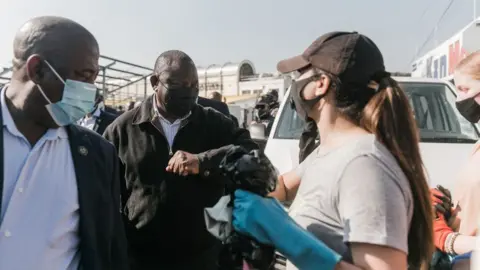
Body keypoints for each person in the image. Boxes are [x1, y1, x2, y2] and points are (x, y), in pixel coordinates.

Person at [233, 31, 434, 270]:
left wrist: (285, 235)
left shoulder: (364, 166)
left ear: (321, 84)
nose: (296, 82)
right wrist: (240, 188)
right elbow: (284, 187)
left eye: (301, 73)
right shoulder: (328, 152)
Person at [103, 50, 258, 270]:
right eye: (178, 84)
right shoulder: (123, 129)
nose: (189, 91)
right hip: (141, 258)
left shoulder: (215, 123)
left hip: (203, 257)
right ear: (155, 82)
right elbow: (102, 195)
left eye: (194, 85)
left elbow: (252, 156)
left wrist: (203, 162)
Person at [0, 16, 128, 270]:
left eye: (94, 78)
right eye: (84, 76)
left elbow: (108, 246)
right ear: (37, 70)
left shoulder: (96, 155)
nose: (90, 90)